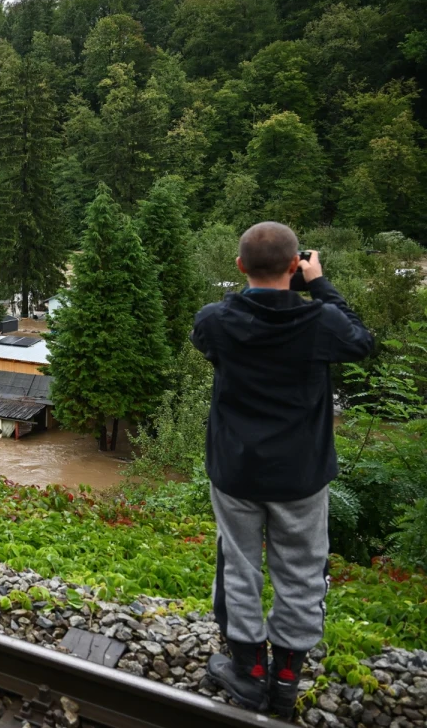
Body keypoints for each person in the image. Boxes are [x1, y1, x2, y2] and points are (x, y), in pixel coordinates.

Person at [191, 222, 374, 718]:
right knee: (301, 570)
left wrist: (272, 287)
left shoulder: (216, 320)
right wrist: (318, 284)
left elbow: (213, 336)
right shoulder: (320, 323)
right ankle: (287, 677)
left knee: (239, 566)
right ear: (296, 266)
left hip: (236, 472)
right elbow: (361, 341)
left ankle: (248, 673)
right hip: (301, 475)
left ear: (238, 267)